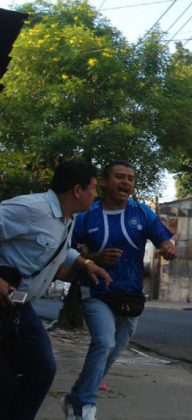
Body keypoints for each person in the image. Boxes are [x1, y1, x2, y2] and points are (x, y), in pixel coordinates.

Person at [62, 160, 177, 420]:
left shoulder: (142, 213)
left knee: (112, 352)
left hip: (130, 296)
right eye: (119, 177)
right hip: (97, 292)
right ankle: (84, 407)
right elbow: (67, 251)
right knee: (103, 341)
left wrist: (168, 247)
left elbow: (164, 239)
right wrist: (95, 258)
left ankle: (77, 396)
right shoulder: (86, 216)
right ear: (104, 182)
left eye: (131, 179)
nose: (126, 183)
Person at [0, 160, 111, 420]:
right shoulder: (30, 209)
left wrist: (85, 263)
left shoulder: (67, 219)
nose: (95, 195)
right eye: (93, 188)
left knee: (41, 368)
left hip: (19, 306)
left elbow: (59, 250)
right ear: (77, 190)